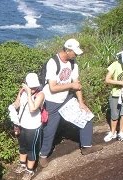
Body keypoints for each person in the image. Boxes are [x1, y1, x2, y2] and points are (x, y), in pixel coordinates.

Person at [38, 38, 103, 168]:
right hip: (51, 101)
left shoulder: (73, 64)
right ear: (67, 50)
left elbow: (77, 85)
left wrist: (81, 102)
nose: (76, 55)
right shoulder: (53, 62)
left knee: (86, 116)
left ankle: (86, 147)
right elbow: (53, 88)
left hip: (65, 99)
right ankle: (43, 155)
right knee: (50, 130)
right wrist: (71, 85)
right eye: (74, 52)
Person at [8, 73, 45, 180]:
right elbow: (17, 103)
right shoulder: (22, 91)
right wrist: (12, 107)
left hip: (34, 127)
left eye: (34, 87)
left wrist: (29, 93)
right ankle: (22, 164)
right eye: (31, 87)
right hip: (22, 124)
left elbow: (32, 109)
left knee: (31, 149)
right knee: (22, 146)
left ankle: (30, 170)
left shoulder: (40, 94)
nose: (33, 89)